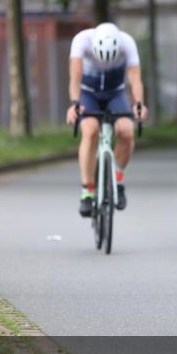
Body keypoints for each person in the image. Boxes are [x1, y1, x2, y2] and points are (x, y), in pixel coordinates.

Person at [66, 22, 148, 217]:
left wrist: (138, 104)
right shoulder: (81, 40)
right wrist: (74, 103)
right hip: (88, 93)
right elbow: (75, 76)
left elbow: (135, 78)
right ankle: (87, 190)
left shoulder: (127, 42)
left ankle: (118, 180)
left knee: (127, 131)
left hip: (115, 93)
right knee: (90, 130)